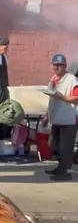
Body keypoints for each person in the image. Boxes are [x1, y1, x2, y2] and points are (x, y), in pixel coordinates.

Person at [42, 54, 77, 182]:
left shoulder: (71, 79)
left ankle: (65, 172)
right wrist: (47, 116)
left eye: (59, 65)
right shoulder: (53, 79)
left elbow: (76, 97)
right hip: (57, 118)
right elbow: (52, 100)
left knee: (65, 148)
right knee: (53, 145)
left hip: (68, 119)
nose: (56, 67)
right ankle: (61, 167)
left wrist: (62, 97)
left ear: (65, 66)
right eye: (54, 65)